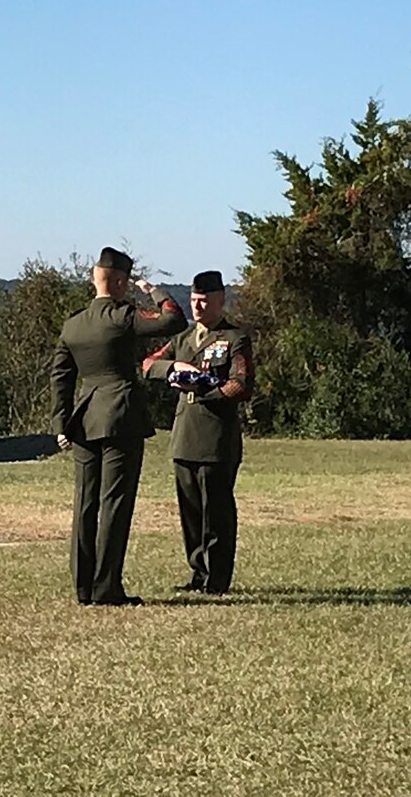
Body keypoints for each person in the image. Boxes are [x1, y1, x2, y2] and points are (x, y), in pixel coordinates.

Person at [50, 247, 187, 606]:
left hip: (84, 419)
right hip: (120, 417)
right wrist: (152, 289)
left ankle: (83, 586)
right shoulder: (123, 316)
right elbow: (173, 320)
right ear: (122, 282)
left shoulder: (74, 323)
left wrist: (61, 421)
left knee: (85, 504)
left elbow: (61, 377)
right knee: (114, 504)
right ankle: (107, 586)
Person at [143, 270, 255, 594]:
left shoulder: (234, 338)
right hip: (184, 435)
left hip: (216, 435)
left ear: (220, 300)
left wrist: (208, 387)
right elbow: (148, 365)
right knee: (190, 512)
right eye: (193, 300)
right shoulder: (182, 340)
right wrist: (176, 369)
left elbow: (242, 383)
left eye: (204, 301)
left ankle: (218, 578)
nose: (197, 307)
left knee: (216, 512)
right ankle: (198, 573)